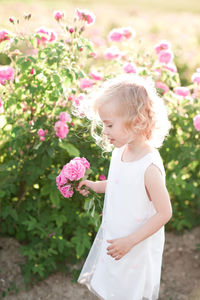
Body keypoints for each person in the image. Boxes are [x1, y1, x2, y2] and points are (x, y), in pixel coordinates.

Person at [76, 74, 172, 300]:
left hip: (135, 244)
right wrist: (94, 186)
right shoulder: (121, 152)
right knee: (111, 285)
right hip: (116, 238)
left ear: (137, 121)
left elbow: (164, 212)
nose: (105, 131)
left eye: (109, 125)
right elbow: (121, 184)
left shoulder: (149, 168)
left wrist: (130, 241)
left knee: (129, 291)